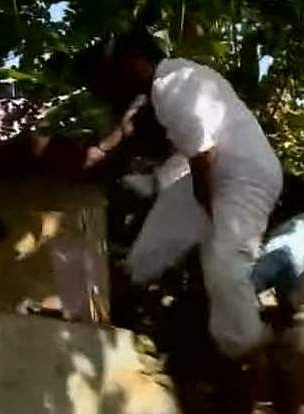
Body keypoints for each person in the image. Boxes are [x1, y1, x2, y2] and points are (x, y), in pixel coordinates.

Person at [75, 31, 283, 359]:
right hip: (219, 174)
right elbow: (142, 132)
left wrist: (207, 207)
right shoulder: (173, 79)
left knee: (224, 263)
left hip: (244, 179)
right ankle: (128, 282)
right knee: (157, 238)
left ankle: (252, 351)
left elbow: (204, 155)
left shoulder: (170, 85)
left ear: (134, 62)